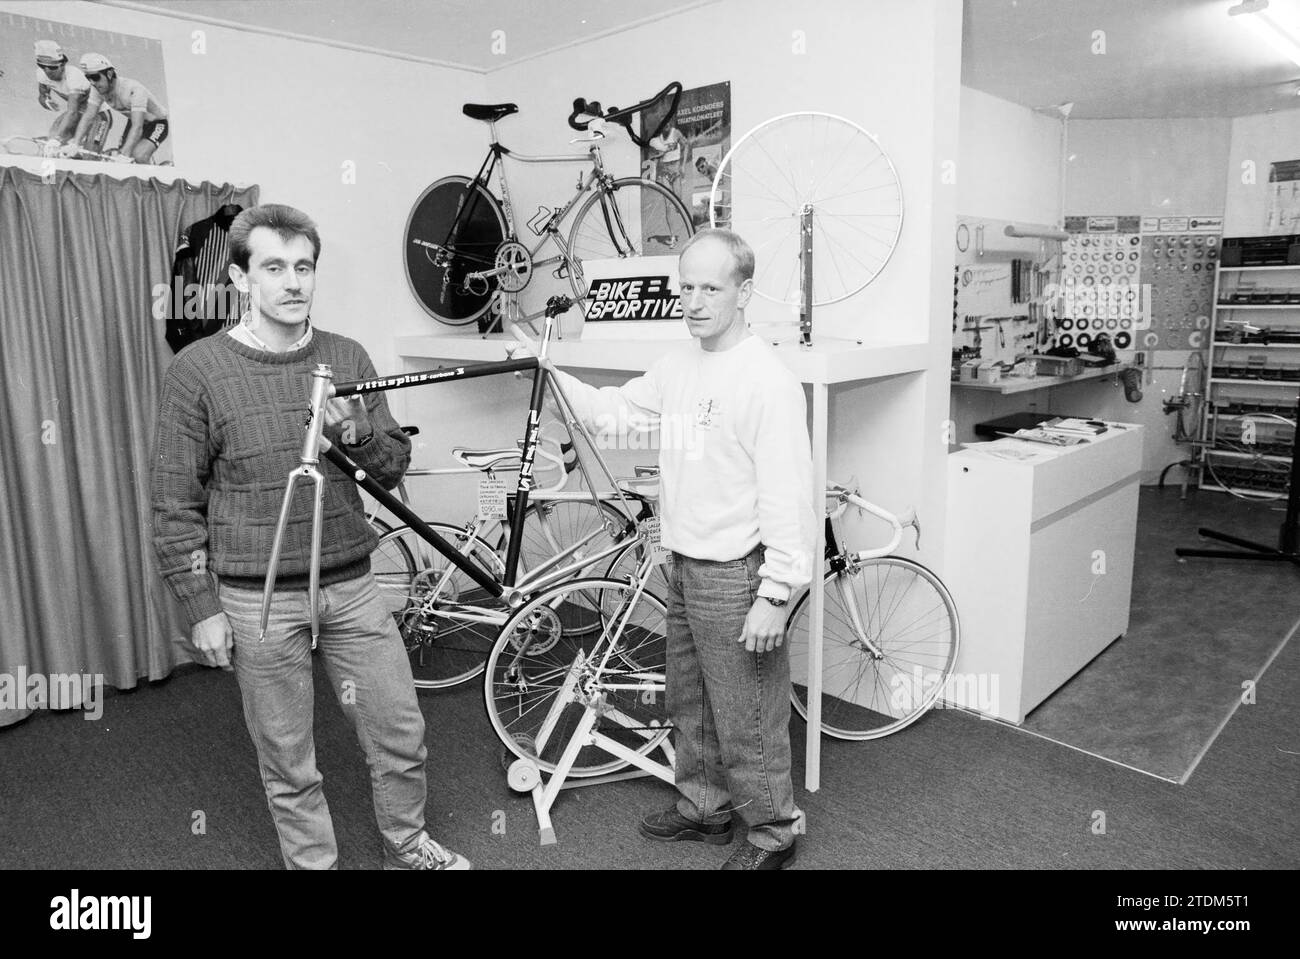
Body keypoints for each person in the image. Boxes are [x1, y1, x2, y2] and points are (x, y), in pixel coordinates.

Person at [150, 204, 469, 871]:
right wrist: (201, 606)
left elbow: (391, 466)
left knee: (400, 731)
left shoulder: (346, 355)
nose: (293, 282)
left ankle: (407, 846)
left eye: (303, 267)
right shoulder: (198, 371)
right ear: (241, 279)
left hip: (351, 583)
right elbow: (173, 500)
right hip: (255, 598)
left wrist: (353, 434)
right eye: (274, 267)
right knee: (288, 756)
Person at [509, 228, 815, 869]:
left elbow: (789, 500)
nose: (695, 300)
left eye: (711, 287)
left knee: (747, 714)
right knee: (691, 699)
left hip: (739, 573)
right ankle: (705, 810)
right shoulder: (682, 365)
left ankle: (772, 834)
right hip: (681, 561)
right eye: (687, 287)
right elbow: (612, 414)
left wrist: (776, 596)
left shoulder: (767, 382)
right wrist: (546, 372)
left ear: (744, 292)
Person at [63, 53, 169, 164]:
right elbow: (88, 116)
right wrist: (75, 143)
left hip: (157, 123)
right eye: (88, 78)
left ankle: (153, 171)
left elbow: (137, 126)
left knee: (138, 156)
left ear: (109, 74)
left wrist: (125, 155)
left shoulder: (133, 89)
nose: (92, 82)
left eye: (95, 77)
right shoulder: (97, 89)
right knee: (121, 154)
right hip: (135, 120)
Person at [32, 41, 108, 156]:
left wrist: (57, 139)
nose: (47, 71)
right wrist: (46, 101)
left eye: (52, 67)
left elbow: (73, 113)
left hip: (98, 115)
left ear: (62, 65)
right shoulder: (41, 74)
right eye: (42, 66)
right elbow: (42, 95)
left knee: (90, 155)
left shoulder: (74, 77)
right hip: (78, 111)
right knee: (52, 142)